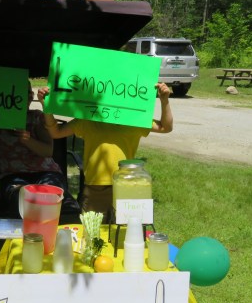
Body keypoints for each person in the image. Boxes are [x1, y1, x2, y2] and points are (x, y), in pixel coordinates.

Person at [37, 82, 173, 214]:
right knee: (93, 233)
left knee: (126, 233)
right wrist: (46, 106)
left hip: (126, 185)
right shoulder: (89, 119)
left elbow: (166, 127)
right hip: (95, 188)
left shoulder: (134, 119)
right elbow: (56, 133)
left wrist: (164, 100)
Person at [0, 82, 81, 218]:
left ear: (31, 97)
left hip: (46, 173)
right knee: (23, 200)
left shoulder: (37, 117)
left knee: (49, 197)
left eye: (27, 93)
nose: (23, 97)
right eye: (17, 93)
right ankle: (38, 234)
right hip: (13, 176)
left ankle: (48, 234)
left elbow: (48, 151)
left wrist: (27, 140)